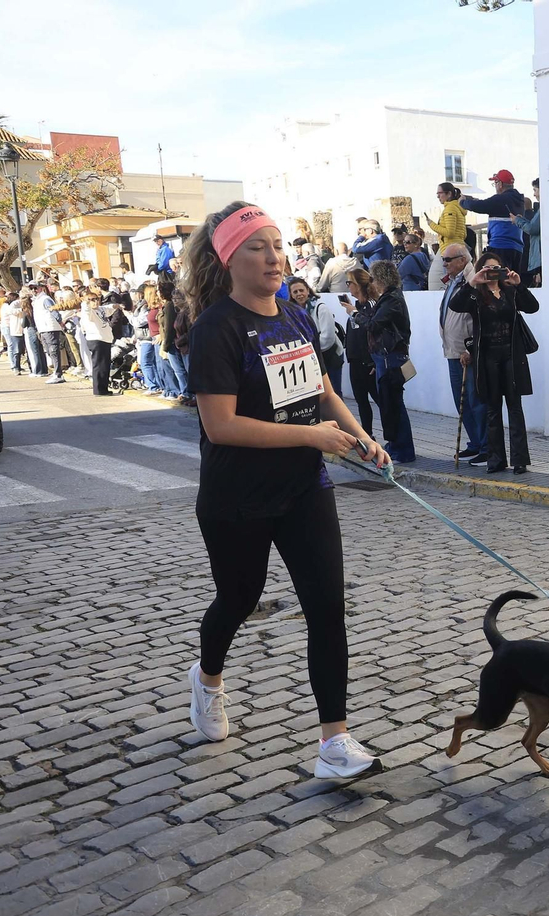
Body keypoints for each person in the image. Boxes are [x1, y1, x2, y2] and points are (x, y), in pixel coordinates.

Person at [180, 200, 389, 780]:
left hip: (304, 487)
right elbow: (220, 426)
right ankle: (208, 677)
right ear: (228, 259)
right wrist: (312, 436)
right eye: (257, 247)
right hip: (236, 497)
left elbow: (323, 391)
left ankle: (334, 743)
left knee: (326, 608)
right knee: (238, 600)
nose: (274, 257)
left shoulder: (293, 316)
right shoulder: (215, 328)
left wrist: (360, 437)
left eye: (277, 245)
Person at [449, 249, 538, 473]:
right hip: (487, 358)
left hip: (511, 355)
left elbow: (533, 307)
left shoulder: (510, 291)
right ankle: (496, 459)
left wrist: (518, 284)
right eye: (487, 269)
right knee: (492, 409)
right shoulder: (476, 295)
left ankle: (520, 460)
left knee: (515, 408)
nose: (491, 273)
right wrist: (472, 282)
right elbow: (455, 305)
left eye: (495, 268)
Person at [362, 259, 416, 463]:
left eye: (373, 278)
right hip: (386, 358)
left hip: (391, 359)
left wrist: (355, 314)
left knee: (393, 404)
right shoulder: (390, 298)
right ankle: (396, 445)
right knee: (389, 404)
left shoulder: (392, 299)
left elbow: (374, 325)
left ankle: (403, 449)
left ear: (380, 279)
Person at [437, 242, 487, 461]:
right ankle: (475, 442)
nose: (444, 264)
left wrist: (471, 347)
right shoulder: (454, 281)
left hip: (467, 352)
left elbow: (479, 319)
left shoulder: (473, 279)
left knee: (476, 401)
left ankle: (486, 446)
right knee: (462, 401)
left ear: (462, 260)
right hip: (452, 351)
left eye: (447, 260)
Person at [339, 268, 381, 440]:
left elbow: (372, 330)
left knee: (380, 400)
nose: (347, 286)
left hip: (367, 362)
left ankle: (394, 439)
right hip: (355, 360)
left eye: (349, 283)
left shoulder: (370, 305)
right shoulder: (356, 306)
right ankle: (367, 435)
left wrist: (373, 360)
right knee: (361, 401)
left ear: (358, 285)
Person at [460, 170, 527, 274]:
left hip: (500, 247)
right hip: (517, 249)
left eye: (495, 183)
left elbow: (479, 206)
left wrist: (463, 202)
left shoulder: (500, 199)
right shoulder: (519, 200)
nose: (495, 186)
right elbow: (488, 204)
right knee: (512, 281)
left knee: (498, 280)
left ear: (500, 184)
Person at [287, 278, 342, 385]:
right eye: (295, 292)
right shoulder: (292, 313)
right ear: (291, 295)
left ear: (308, 290)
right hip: (309, 360)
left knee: (334, 392)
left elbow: (328, 338)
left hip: (329, 357)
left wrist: (308, 351)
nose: (299, 294)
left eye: (301, 290)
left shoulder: (321, 308)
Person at [32, 283, 67, 383]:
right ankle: (56, 372)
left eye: (35, 288)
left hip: (50, 327)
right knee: (49, 351)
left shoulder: (45, 299)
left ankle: (58, 374)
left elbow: (54, 311)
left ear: (41, 288)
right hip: (43, 328)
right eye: (31, 288)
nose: (34, 290)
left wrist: (60, 322)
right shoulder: (37, 300)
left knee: (53, 351)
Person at [519, 179, 543, 287]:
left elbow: (532, 228)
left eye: (535, 190)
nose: (534, 194)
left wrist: (517, 221)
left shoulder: (543, 209)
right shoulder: (537, 212)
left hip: (532, 262)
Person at [1, 291, 26, 375]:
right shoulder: (8, 306)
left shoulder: (11, 305)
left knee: (16, 347)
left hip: (17, 328)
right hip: (10, 327)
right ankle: (14, 365)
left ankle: (18, 366)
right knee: (13, 346)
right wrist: (21, 309)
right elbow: (11, 312)